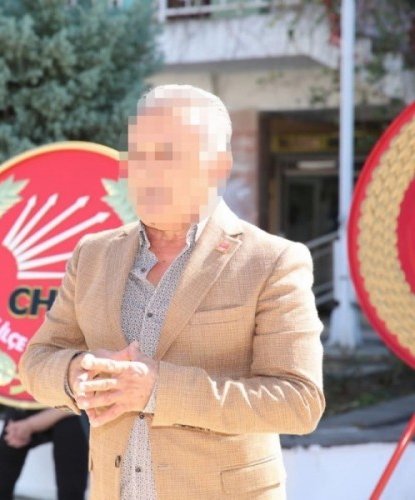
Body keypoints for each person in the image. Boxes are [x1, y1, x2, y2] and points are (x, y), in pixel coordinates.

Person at [18, 84, 324, 499]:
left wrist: (159, 389)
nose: (148, 171)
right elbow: (37, 360)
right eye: (138, 154)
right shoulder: (92, 255)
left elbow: (297, 402)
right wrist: (75, 374)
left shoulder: (272, 261)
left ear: (219, 165)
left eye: (168, 154)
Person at [0, 407, 88, 500]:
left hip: (74, 413)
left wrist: (30, 425)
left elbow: (77, 406)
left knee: (71, 429)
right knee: (15, 424)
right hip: (41, 408)